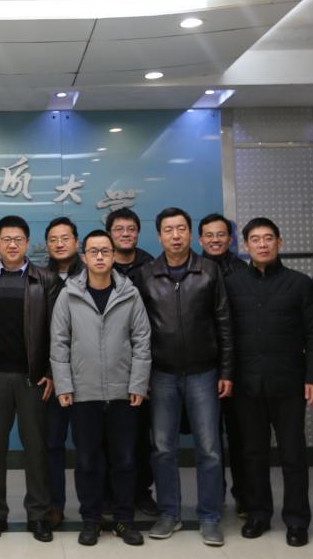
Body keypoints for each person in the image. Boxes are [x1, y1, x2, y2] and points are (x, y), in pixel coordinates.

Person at [227, 217, 313, 548]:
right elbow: (225, 335)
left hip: (289, 384)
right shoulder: (232, 284)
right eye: (255, 239)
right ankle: (258, 514)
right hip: (246, 385)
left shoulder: (300, 284)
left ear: (279, 243)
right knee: (253, 453)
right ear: (245, 246)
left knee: (293, 455)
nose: (262, 244)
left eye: (268, 238)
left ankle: (297, 520)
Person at [136, 208, 233, 546]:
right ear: (159, 235)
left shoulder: (208, 270)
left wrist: (226, 370)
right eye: (168, 230)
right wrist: (142, 375)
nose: (175, 235)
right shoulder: (147, 274)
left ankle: (209, 516)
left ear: (190, 234)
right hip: (161, 373)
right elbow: (138, 329)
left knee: (210, 448)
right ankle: (169, 513)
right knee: (163, 448)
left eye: (181, 229)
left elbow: (224, 322)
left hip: (204, 372)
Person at [50, 229, 151, 547]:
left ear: (113, 255)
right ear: (84, 256)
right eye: (93, 251)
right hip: (83, 393)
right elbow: (59, 342)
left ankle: (124, 520)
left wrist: (138, 383)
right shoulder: (69, 294)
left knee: (125, 460)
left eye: (105, 251)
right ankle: (91, 520)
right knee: (86, 461)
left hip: (123, 393)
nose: (99, 257)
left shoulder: (129, 293)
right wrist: (64, 385)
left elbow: (142, 341)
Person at [0, 215, 60, 542]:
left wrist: (50, 372)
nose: (12, 245)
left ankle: (38, 514)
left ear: (27, 243)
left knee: (36, 448)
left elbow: (58, 330)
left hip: (32, 377)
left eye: (18, 239)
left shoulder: (46, 280)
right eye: (6, 239)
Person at [104, 207, 157, 515]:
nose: (125, 234)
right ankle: (110, 495)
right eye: (119, 229)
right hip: (105, 365)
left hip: (141, 365)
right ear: (109, 234)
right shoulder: (99, 267)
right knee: (105, 436)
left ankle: (141, 492)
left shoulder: (151, 267)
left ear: (138, 232)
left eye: (131, 229)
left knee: (140, 435)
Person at [198, 213, 246, 516]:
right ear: (200, 239)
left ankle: (244, 495)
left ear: (230, 238)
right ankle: (214, 497)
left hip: (237, 368)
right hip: (202, 367)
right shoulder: (194, 269)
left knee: (240, 437)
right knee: (208, 440)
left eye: (220, 234)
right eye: (209, 235)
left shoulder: (243, 271)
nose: (215, 240)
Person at [42, 216, 83, 528]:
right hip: (52, 377)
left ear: (76, 242)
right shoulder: (40, 278)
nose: (59, 244)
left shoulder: (96, 273)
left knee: (90, 445)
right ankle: (54, 504)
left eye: (65, 238)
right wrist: (49, 370)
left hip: (89, 374)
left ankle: (94, 505)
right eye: (53, 239)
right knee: (52, 444)